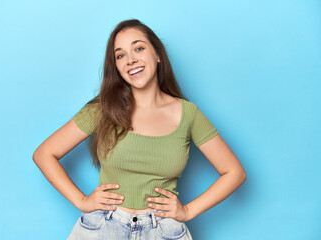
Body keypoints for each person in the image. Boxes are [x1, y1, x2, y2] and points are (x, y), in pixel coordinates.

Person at [33, 19, 246, 240]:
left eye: (139, 48)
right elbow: (44, 154)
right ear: (116, 66)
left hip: (163, 231)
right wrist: (81, 201)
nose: (131, 59)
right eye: (120, 55)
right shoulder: (103, 109)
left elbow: (234, 172)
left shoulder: (188, 114)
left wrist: (188, 211)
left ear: (157, 55)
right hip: (103, 228)